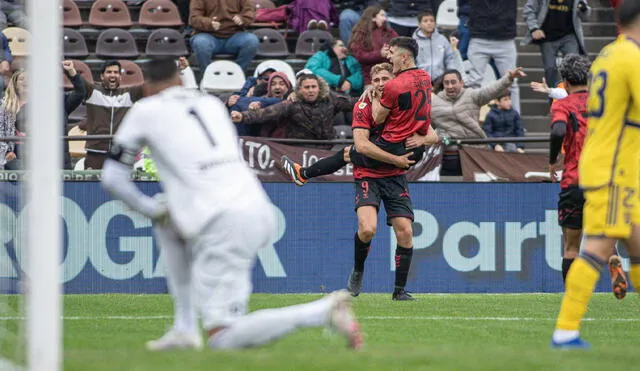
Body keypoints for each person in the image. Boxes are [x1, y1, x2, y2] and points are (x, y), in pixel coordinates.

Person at [101, 58, 363, 352]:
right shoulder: (211, 104)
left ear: (147, 87)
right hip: (254, 204)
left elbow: (112, 177)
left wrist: (148, 210)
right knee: (170, 223)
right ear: (181, 80)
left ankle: (321, 311)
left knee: (222, 337)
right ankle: (184, 328)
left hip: (221, 220)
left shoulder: (145, 110)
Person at [551, 1, 640, 349]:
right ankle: (565, 330)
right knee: (599, 245)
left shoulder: (607, 54)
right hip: (615, 167)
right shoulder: (632, 58)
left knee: (636, 243)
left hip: (607, 160)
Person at [279, 63, 439, 186]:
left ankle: (303, 174)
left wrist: (422, 140)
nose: (381, 83)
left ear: (394, 81)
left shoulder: (405, 100)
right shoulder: (366, 102)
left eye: (385, 79)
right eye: (376, 80)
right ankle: (303, 174)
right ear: (371, 84)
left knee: (349, 153)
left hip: (406, 153)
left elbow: (433, 136)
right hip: (390, 157)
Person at [230, 73, 356, 143]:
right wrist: (242, 116)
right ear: (299, 90)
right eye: (307, 87)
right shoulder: (292, 103)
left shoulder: (331, 99)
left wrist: (373, 97)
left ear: (319, 88)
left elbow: (354, 103)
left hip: (328, 147)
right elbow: (265, 113)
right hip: (300, 150)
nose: (311, 90)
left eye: (313, 87)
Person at [522, 0, 591, 89]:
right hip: (547, 36)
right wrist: (534, 28)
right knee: (550, 69)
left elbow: (585, 16)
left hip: (569, 36)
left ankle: (573, 96)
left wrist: (584, 9)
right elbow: (528, 9)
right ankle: (552, 96)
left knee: (574, 67)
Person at [189, 0, 259, 71]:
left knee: (251, 40)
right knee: (200, 42)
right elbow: (193, 18)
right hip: (208, 36)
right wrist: (209, 23)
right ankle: (206, 75)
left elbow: (250, 11)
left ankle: (238, 73)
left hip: (234, 36)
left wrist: (243, 18)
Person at [348, 6, 398, 85]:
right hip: (371, 80)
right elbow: (359, 56)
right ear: (373, 18)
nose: (385, 19)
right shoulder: (360, 34)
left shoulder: (390, 33)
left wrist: (391, 52)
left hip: (392, 78)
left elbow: (399, 48)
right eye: (382, 15)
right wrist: (379, 54)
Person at [412, 10, 463, 83]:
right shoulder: (414, 41)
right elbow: (412, 62)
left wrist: (449, 75)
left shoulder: (442, 39)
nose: (429, 23)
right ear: (419, 24)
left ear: (435, 23)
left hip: (440, 80)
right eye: (425, 21)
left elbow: (449, 58)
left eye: (432, 21)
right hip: (420, 80)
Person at [0, 69, 23, 170]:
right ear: (15, 83)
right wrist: (7, 151)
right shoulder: (5, 105)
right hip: (13, 153)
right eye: (22, 79)